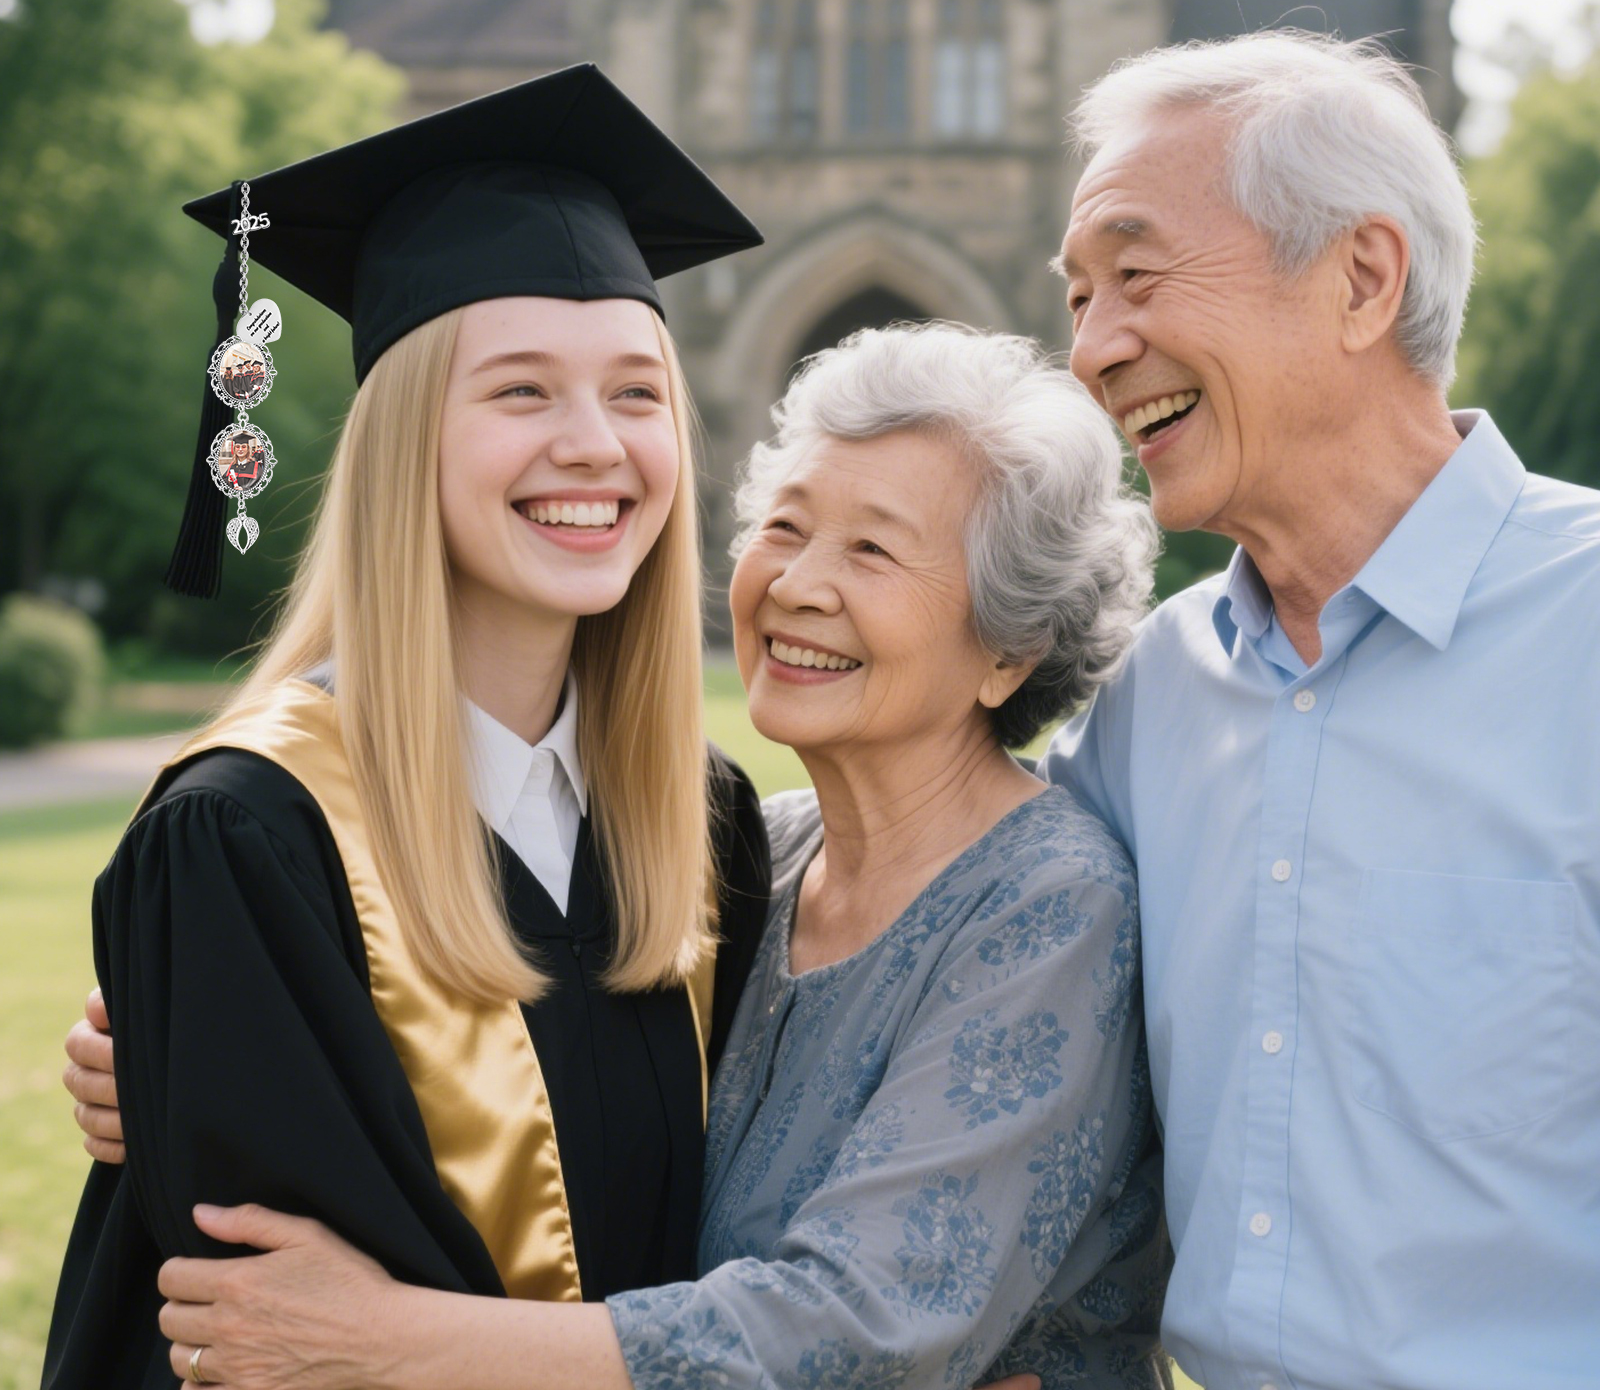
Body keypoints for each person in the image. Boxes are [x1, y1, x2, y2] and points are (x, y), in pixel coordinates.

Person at [70, 325, 1172, 1388]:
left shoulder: (1048, 900)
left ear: (1009, 650)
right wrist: (189, 1048)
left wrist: (390, 1342)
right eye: (784, 527)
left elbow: (864, 1331)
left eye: (872, 549)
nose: (797, 584)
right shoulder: (745, 855)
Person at [43, 64, 774, 1388]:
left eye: (635, 391)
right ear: (401, 439)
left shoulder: (701, 820)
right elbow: (272, 1352)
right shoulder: (246, 842)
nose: (595, 445)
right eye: (519, 392)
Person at [1044, 31, 1600, 1390]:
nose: (1093, 349)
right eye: (1075, 299)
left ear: (1360, 279)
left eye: (1135, 275)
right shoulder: (1145, 697)